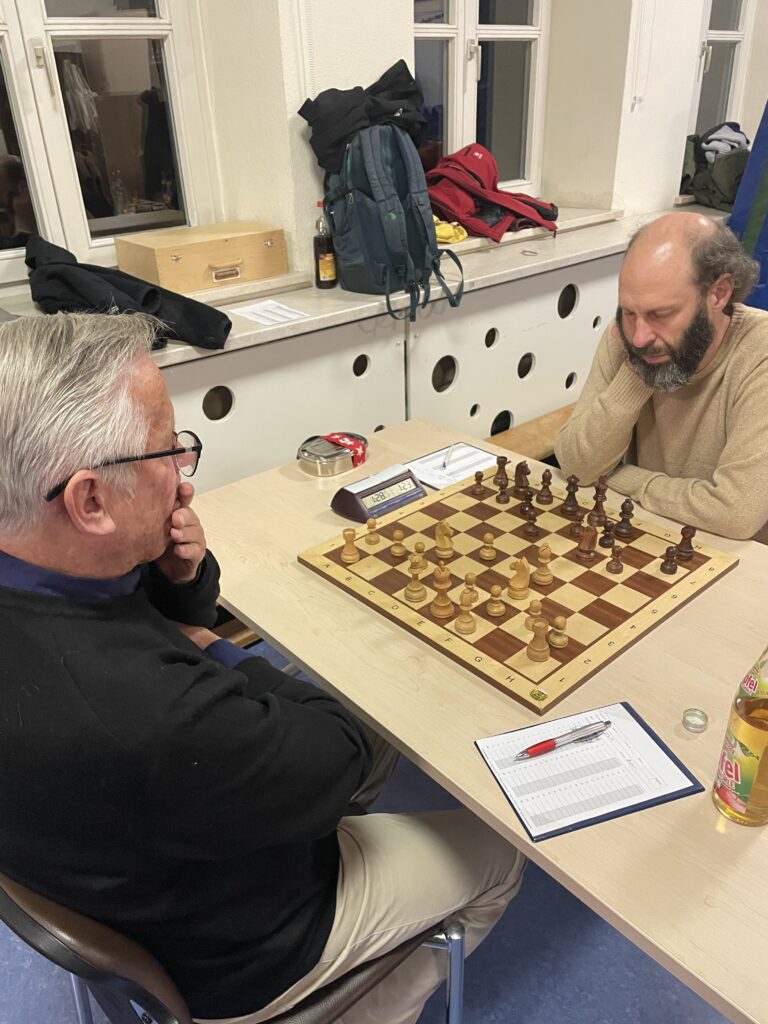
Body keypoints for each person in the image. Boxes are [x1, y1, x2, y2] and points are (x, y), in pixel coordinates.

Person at [0, 312, 525, 1024]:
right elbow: (337, 750)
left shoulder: (41, 559)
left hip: (127, 856)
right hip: (244, 948)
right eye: (167, 450)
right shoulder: (143, 715)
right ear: (89, 500)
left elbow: (136, 620)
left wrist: (180, 581)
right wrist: (207, 642)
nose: (184, 478)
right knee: (495, 851)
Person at [554, 212, 766, 540]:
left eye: (660, 314)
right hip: (648, 534)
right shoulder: (628, 339)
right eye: (629, 312)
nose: (639, 337)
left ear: (719, 293)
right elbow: (576, 466)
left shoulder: (759, 354)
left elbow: (735, 513)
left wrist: (618, 477)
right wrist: (640, 369)